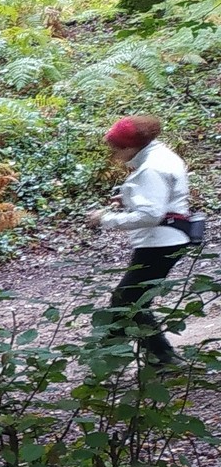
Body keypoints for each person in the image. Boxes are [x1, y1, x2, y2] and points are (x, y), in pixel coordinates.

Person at [89, 115, 195, 365]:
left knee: (127, 300)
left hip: (160, 242)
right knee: (132, 299)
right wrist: (127, 198)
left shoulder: (151, 168)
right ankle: (144, 359)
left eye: (115, 150)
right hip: (168, 238)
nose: (114, 156)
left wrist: (104, 219)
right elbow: (161, 198)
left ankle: (113, 361)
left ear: (129, 147)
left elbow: (151, 214)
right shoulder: (162, 156)